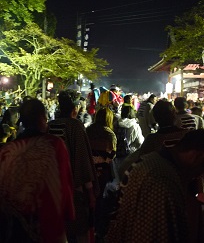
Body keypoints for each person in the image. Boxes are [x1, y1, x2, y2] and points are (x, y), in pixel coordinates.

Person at [107, 129, 204, 243]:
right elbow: (157, 234)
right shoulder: (164, 180)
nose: (200, 175)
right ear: (197, 156)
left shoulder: (153, 161)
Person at [0, 98, 75, 243]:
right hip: (46, 226)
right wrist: (68, 214)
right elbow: (64, 184)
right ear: (42, 117)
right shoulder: (54, 145)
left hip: (11, 229)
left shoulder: (6, 150)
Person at [48, 90, 99, 243]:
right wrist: (90, 192)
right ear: (75, 109)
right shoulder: (76, 126)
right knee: (79, 228)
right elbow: (82, 159)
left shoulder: (49, 125)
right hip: (73, 186)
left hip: (52, 185)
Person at [86, 107, 117, 241]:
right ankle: (98, 229)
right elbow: (112, 156)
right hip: (102, 172)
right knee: (100, 199)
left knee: (89, 197)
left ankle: (89, 226)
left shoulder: (88, 130)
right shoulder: (110, 134)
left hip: (88, 170)